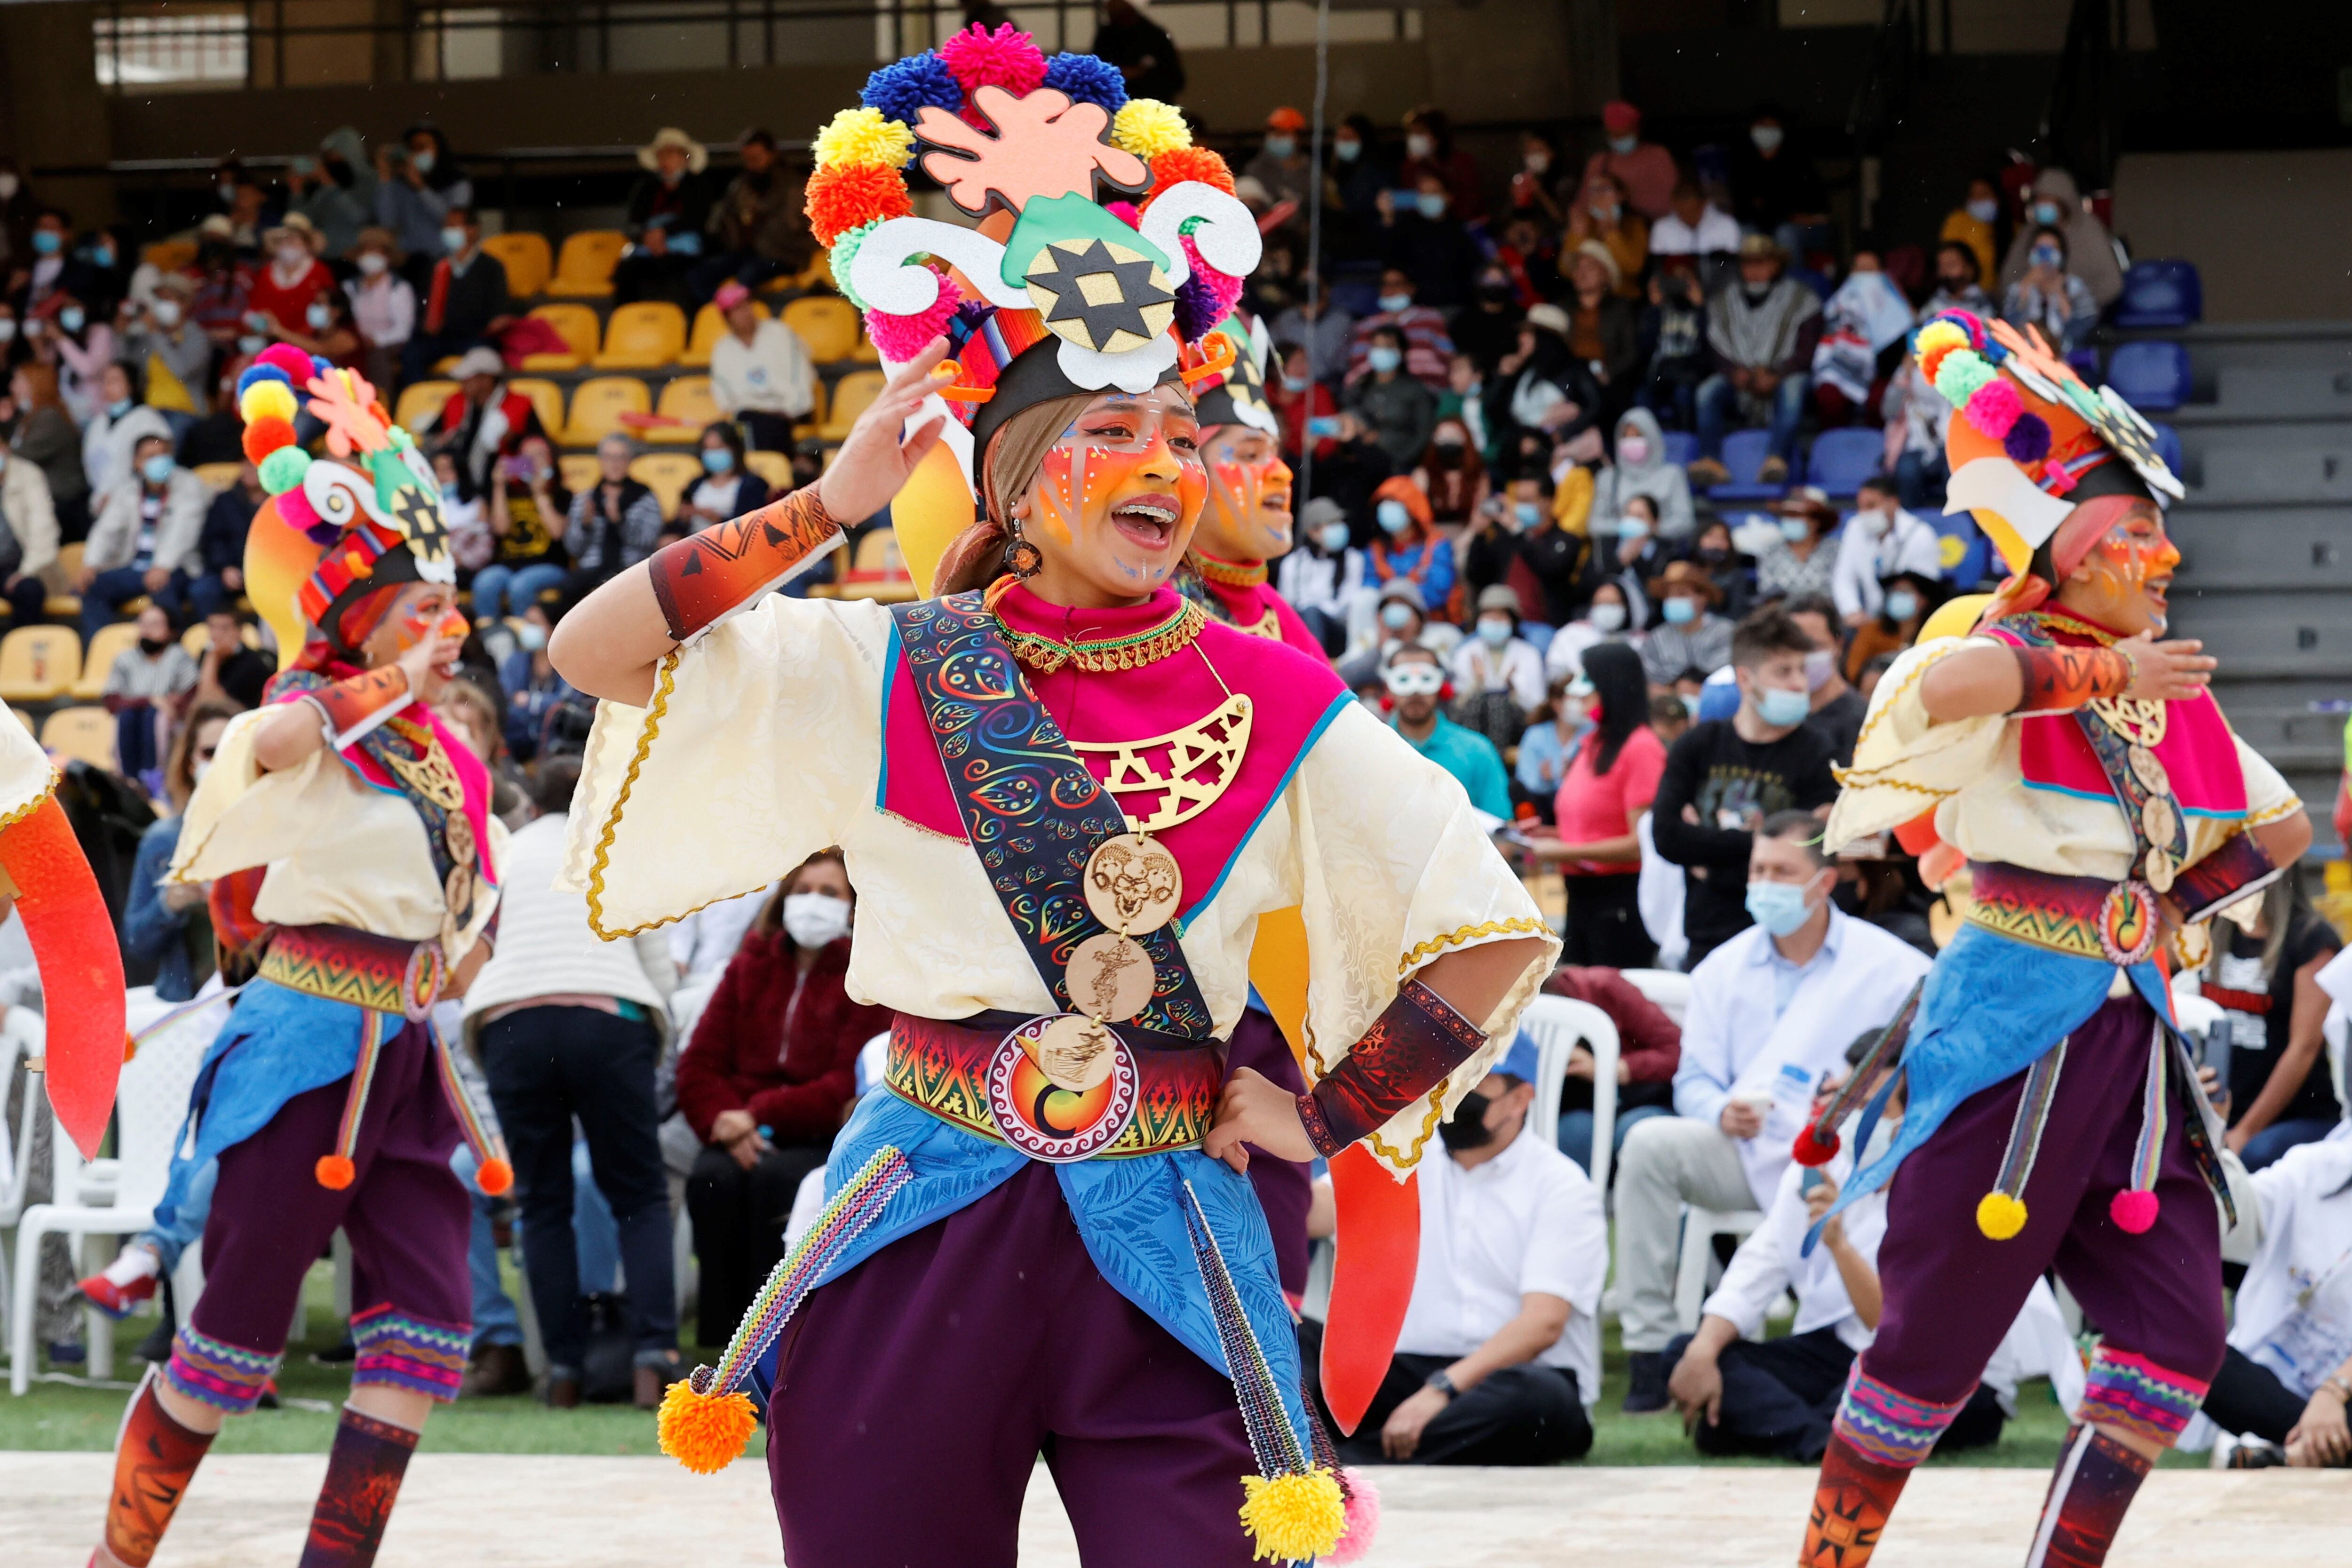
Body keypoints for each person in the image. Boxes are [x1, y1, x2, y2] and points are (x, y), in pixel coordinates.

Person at [550, 32, 1556, 1562]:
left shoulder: (1275, 693)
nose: (1163, 463)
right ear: (1014, 482)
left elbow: (1485, 929)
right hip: (924, 1206)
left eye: (1178, 434)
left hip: (1173, 1240)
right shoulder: (889, 664)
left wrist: (1328, 1116)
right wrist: (827, 508)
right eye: (1109, 431)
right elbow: (594, 649)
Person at [1791, 306, 2311, 1568]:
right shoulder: (2009, 641)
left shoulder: (2162, 677)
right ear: (2070, 550)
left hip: (2134, 1032)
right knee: (1928, 1340)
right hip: (2015, 1011)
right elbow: (1931, 694)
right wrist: (2100, 677)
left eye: (2160, 530)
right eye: (2136, 532)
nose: (2165, 554)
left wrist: (2180, 903)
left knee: (2174, 1334)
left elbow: (2283, 826)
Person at [87, 352, 506, 1568]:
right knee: (230, 1341)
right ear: (363, 619)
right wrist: (379, 682)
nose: (444, 628)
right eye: (416, 608)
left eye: (447, 608)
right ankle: (119, 1558)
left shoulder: (452, 755)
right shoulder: (317, 713)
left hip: (412, 1055)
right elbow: (260, 743)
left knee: (425, 1331)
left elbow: (465, 913)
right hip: (309, 1035)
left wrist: (465, 943)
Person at [1616, 813, 1932, 1413]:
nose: (1764, 882)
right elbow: (1693, 1079)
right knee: (1647, 1144)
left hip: (1853, 1165)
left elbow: (1920, 1069)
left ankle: (1884, 1343)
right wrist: (1719, 1109)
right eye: (1757, 870)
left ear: (1823, 882)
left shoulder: (1890, 965)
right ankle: (1647, 1347)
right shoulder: (1721, 969)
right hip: (1745, 1145)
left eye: (1782, 871)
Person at [1661, 1030, 2049, 1461]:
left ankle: (1785, 1431)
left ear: (1916, 1111)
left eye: (1868, 1106)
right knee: (1689, 1352)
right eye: (1846, 1099)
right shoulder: (1829, 1160)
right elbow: (1761, 1262)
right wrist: (1704, 1350)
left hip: (1942, 1370)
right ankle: (1822, 1440)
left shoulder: (1957, 1187)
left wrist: (1839, 1246)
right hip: (1841, 1353)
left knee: (1870, 1398)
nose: (1850, 1117)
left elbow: (1895, 1327)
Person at [460, 755, 678, 1408]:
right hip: (608, 1022)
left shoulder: (505, 852)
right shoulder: (621, 840)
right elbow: (659, 966)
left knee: (541, 1203)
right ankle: (653, 1355)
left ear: (531, 804)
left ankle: (563, 1368)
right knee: (639, 1195)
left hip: (511, 1029)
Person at [1300, 1034, 1602, 1465]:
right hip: (1400, 1374)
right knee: (1295, 1340)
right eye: (1446, 1081)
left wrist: (1443, 1390)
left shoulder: (1561, 1186)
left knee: (1541, 1400)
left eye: (1473, 1085)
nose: (1452, 1098)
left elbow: (1543, 1325)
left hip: (1501, 1380)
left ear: (1521, 1100)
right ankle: (1340, 1455)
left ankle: (1349, 1462)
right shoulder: (1403, 1157)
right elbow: (1310, 1213)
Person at [677, 851, 891, 1348]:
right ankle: (718, 1341)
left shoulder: (864, 981)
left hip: (816, 1135)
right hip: (735, 1133)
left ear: (853, 908)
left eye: (829, 893)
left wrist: (755, 1115)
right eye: (803, 891)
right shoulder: (745, 968)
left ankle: (777, 1338)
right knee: (713, 1180)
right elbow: (699, 1064)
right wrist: (724, 1120)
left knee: (777, 1183)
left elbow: (847, 1081)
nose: (812, 904)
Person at [1649, 605, 1841, 963]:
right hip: (1708, 937)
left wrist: (1708, 859)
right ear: (1746, 679)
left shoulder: (1818, 750)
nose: (1799, 683)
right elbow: (1666, 836)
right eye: (1784, 671)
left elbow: (1812, 847)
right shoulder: (1699, 744)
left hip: (1790, 938)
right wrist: (1762, 842)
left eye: (1802, 669)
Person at [2201, 1127, 2352, 1465]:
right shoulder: (2316, 1165)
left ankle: (2285, 1456)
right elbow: (2237, 1220)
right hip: (2270, 1386)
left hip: (2345, 1393)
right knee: (2191, 1345)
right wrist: (2210, 1142)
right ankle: (2316, 1449)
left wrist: (2334, 1391)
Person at [1178, 322, 1321, 658]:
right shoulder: (1151, 609)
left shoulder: (1277, 613)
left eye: (1276, 453)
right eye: (1250, 455)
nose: (1282, 473)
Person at [1523, 642, 1667, 966]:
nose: (1576, 690)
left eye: (1586, 679)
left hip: (1618, 902)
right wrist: (1547, 836)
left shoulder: (1641, 748)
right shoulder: (1592, 743)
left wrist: (1563, 852)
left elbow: (1641, 843)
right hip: (1580, 896)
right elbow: (1590, 827)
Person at [2207, 878, 2343, 1169]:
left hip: (2299, 1117)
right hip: (2222, 1107)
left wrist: (2245, 1131)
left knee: (2256, 1154)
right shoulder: (2214, 928)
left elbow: (2304, 1048)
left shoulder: (2311, 939)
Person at [123, 701, 237, 1002]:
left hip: (250, 1007)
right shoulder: (163, 840)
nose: (221, 761)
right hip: (185, 1007)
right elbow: (136, 943)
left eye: (231, 749)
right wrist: (169, 904)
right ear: (190, 763)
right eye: (210, 752)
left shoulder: (274, 835)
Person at [1691, 234, 1820, 488]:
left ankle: (1777, 458)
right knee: (1706, 391)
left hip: (1784, 376)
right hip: (1739, 378)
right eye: (1749, 263)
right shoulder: (1723, 301)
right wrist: (1733, 372)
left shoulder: (1802, 298)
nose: (1755, 269)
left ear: (1776, 265)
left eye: (1762, 263)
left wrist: (1777, 374)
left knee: (1793, 389)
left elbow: (1808, 352)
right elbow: (1714, 348)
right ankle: (1711, 461)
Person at [1542, 962, 1682, 1175]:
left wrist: (1609, 1068)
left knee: (1634, 1132)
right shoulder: (1504, 1008)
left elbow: (1680, 1051)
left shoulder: (1603, 987)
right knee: (1573, 1133)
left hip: (1644, 1099)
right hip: (1578, 1109)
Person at [82, 432, 207, 638]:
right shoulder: (127, 490)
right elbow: (106, 530)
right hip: (136, 568)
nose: (158, 461)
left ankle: (172, 655)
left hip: (177, 568)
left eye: (163, 455)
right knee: (95, 588)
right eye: (150, 457)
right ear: (137, 463)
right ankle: (100, 651)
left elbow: (184, 530)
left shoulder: (189, 484)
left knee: (163, 590)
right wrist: (91, 563)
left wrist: (163, 565)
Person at [1381, 643, 1512, 820]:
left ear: (1441, 684)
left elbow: (1501, 827)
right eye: (1403, 679)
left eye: (1426, 678)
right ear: (1388, 688)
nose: (1416, 691)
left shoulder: (1477, 750)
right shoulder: (1371, 751)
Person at [693, 128, 814, 298]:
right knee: (702, 273)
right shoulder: (741, 188)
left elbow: (806, 232)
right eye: (747, 160)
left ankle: (743, 318)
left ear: (772, 155)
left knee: (749, 274)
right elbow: (725, 226)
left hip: (785, 256)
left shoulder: (795, 188)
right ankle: (717, 315)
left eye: (757, 159)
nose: (752, 165)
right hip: (748, 254)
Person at [402, 209, 514, 384]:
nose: (448, 231)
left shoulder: (492, 267)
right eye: (446, 227)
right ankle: (419, 400)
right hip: (440, 338)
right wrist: (427, 325)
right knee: (412, 353)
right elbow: (422, 306)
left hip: (476, 338)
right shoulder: (436, 267)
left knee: (483, 356)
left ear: (473, 230)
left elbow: (500, 312)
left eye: (454, 226)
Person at [707, 279, 816, 452]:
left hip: (787, 412)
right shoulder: (722, 348)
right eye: (737, 310)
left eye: (746, 305)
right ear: (726, 317)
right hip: (747, 417)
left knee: (764, 429)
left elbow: (801, 376)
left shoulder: (781, 333)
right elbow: (724, 395)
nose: (745, 313)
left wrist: (789, 409)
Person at [613, 128, 715, 308]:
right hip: (647, 246)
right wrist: (646, 237)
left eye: (672, 154)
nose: (666, 160)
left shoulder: (699, 186)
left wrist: (665, 233)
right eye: (663, 154)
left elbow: (698, 219)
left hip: (686, 249)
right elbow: (633, 222)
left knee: (685, 275)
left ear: (686, 158)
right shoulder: (645, 187)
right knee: (626, 271)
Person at [102, 602, 200, 785]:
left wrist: (162, 706)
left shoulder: (179, 657)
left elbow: (189, 698)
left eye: (155, 625)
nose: (147, 631)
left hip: (170, 728)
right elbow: (112, 701)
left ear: (172, 631)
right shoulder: (125, 659)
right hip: (130, 723)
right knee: (129, 716)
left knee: (155, 716)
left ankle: (156, 781)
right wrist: (152, 700)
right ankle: (129, 781)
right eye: (143, 625)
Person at [474, 433, 569, 622]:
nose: (533, 461)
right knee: (485, 582)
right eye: (527, 457)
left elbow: (558, 532)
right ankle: (493, 637)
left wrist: (539, 494)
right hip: (509, 565)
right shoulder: (510, 493)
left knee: (520, 586)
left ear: (551, 460)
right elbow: (500, 529)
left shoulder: (562, 495)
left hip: (549, 565)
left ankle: (524, 640)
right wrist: (499, 487)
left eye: (539, 456)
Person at [428, 346, 544, 500]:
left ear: (486, 379)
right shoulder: (456, 401)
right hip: (459, 490)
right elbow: (432, 437)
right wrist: (443, 441)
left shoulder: (520, 405)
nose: (462, 382)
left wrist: (512, 442)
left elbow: (539, 456)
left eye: (469, 378)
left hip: (505, 490)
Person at [1998, 167, 2122, 308]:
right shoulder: (2029, 231)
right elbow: (2007, 280)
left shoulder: (2088, 228)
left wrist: (2076, 304)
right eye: (2039, 199)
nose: (2042, 204)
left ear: (2065, 201)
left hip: (2081, 317)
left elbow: (2112, 283)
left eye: (2049, 199)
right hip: (2032, 316)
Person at [563, 434, 666, 604]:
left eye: (621, 457)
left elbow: (650, 541)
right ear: (600, 460)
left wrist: (620, 521)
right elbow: (573, 549)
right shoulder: (586, 500)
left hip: (631, 573)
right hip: (590, 572)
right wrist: (585, 525)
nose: (614, 463)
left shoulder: (645, 498)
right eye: (609, 457)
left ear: (629, 461)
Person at [1834, 474, 1945, 625]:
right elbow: (1843, 577)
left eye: (1871, 506)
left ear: (1893, 503)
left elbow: (1926, 591)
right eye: (1860, 507)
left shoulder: (1920, 535)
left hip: (1909, 621)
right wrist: (1852, 611)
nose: (1863, 513)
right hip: (1867, 621)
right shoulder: (1855, 527)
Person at [373, 125, 473, 287]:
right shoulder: (400, 183)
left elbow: (452, 220)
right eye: (413, 148)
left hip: (443, 258)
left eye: (423, 147)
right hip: (407, 259)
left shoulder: (457, 180)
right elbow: (387, 221)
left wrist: (421, 188)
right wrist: (385, 180)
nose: (417, 153)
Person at [1375, 172, 1482, 310]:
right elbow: (1389, 258)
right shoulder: (1407, 228)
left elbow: (1475, 274)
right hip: (1414, 309)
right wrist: (1387, 219)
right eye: (1423, 193)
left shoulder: (1464, 231)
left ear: (1448, 197)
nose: (1428, 197)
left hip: (1454, 307)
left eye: (1434, 192)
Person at [1276, 497, 1368, 655]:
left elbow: (1347, 604)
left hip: (1337, 629)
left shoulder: (1354, 559)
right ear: (1313, 532)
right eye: (1332, 524)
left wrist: (1316, 608)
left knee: (1312, 612)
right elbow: (1287, 604)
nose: (1339, 528)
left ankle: (1314, 661)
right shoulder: (1293, 563)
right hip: (1303, 627)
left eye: (1339, 523)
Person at [1782, 595, 1866, 768]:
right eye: (1793, 646)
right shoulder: (1778, 712)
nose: (1803, 656)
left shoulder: (1860, 721)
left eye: (1814, 646)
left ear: (1839, 645)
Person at [1727, 106, 1828, 247]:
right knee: (1746, 235)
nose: (1767, 131)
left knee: (1785, 234)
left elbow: (1815, 209)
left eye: (1772, 126)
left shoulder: (1797, 161)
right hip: (1758, 226)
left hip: (1795, 228)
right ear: (1752, 129)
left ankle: (1791, 271)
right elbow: (1742, 207)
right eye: (1763, 125)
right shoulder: (1743, 163)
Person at [9, 364, 90, 541]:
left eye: (18, 380)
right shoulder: (31, 417)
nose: (12, 387)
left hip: (65, 506)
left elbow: (20, 457)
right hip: (49, 503)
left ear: (35, 383)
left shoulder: (49, 417)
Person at [1450, 585, 1546, 732]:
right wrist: (1477, 683)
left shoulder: (1528, 653)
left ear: (1512, 621)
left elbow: (1537, 704)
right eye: (1489, 615)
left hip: (1515, 723)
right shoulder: (1467, 651)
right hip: (1473, 720)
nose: (1494, 621)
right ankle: (1475, 751)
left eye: (1501, 616)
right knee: (1477, 702)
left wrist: (1513, 688)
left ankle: (1496, 754)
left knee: (1497, 703)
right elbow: (1458, 703)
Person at [1345, 324, 1439, 474]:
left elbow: (1424, 434)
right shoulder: (1360, 387)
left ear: (1402, 351)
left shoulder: (1416, 391)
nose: (1381, 352)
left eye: (1388, 347)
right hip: (1362, 462)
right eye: (1376, 346)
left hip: (1400, 464)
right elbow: (1347, 416)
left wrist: (1401, 461)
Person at [1592, 406, 1695, 542]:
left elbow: (1686, 522)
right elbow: (1594, 524)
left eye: (1638, 436)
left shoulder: (1672, 474)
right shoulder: (1608, 477)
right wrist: (1625, 529)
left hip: (1661, 549)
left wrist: (1652, 530)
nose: (1632, 442)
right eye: (1626, 437)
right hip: (1618, 550)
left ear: (1652, 437)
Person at [119, 275, 216, 418]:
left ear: (185, 303)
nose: (163, 304)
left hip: (186, 411)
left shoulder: (198, 337)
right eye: (160, 299)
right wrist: (125, 328)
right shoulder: (152, 335)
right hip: (151, 411)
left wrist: (154, 332)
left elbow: (180, 370)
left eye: (169, 298)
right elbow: (128, 365)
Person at [2000, 225, 2102, 355]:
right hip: (2026, 355)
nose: (2045, 255)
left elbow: (2085, 329)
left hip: (2067, 357)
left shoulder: (2075, 286)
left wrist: (2061, 296)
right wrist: (2024, 290)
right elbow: (2008, 326)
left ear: (2062, 255)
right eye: (2040, 249)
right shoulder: (2017, 288)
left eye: (2052, 249)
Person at [82, 360, 175, 502]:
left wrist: (122, 497)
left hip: (137, 501)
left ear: (132, 385)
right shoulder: (98, 423)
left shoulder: (147, 418)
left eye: (115, 381)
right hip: (99, 502)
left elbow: (158, 465)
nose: (108, 386)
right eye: (105, 381)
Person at [1344, 268, 1453, 389]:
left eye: (1397, 284)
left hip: (1428, 390)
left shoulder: (1432, 318)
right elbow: (1357, 369)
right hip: (1381, 393)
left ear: (1411, 288)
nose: (1391, 290)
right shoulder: (1366, 326)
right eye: (1386, 284)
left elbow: (1449, 360)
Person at [1366, 477, 1455, 621]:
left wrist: (1400, 599)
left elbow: (1438, 592)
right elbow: (1370, 584)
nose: (1387, 508)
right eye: (1384, 503)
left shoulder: (1436, 545)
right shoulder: (1377, 549)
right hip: (1386, 622)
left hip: (1430, 623)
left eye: (1394, 502)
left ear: (1412, 509)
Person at [285, 128, 377, 263]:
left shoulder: (370, 181)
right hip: (322, 258)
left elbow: (360, 217)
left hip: (357, 258)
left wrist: (330, 184)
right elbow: (300, 222)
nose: (331, 161)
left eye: (335, 155)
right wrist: (297, 192)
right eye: (328, 157)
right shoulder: (324, 189)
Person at [1638, 560, 1732, 689]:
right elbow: (1651, 680)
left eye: (1682, 594)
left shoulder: (1725, 632)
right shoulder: (1657, 638)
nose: (1674, 600)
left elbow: (1723, 674)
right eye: (1670, 595)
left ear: (1703, 598)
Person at [0, 421, 60, 625]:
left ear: (6, 448)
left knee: (29, 590)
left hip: (20, 567)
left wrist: (25, 572)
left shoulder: (28, 474)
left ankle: (18, 651)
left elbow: (44, 529)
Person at [345, 227, 415, 397]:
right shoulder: (350, 287)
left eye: (377, 251)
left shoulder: (398, 288)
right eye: (367, 250)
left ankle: (380, 405)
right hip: (355, 340)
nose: (371, 255)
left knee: (377, 358)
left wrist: (376, 340)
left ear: (388, 256)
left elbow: (403, 330)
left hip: (387, 344)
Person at [677, 420, 773, 533]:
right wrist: (683, 518)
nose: (713, 454)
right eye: (708, 449)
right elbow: (677, 526)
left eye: (719, 448)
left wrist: (717, 519)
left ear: (734, 449)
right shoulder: (696, 484)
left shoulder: (754, 485)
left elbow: (752, 527)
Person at [1843, 567, 1935, 684]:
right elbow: (1853, 670)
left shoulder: (1933, 633)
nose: (1898, 596)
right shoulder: (1872, 630)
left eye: (1905, 592)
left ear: (1923, 600)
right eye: (1895, 591)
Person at [1754, 485, 1841, 606]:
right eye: (1786, 515)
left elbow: (1836, 591)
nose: (1788, 520)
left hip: (1823, 616)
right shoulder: (1770, 551)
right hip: (1782, 618)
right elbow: (1768, 592)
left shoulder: (1835, 550)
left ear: (1815, 522)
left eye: (1795, 515)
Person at [246, 219, 335, 335]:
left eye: (294, 240)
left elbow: (327, 309)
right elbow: (254, 307)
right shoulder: (266, 271)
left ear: (306, 244)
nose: (288, 244)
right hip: (267, 337)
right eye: (284, 240)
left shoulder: (320, 271)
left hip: (307, 339)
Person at [1398, 105, 1483, 223]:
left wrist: (1448, 200)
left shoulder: (1462, 162)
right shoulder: (1410, 166)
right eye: (1412, 133)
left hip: (1460, 227)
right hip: (1423, 229)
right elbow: (1409, 204)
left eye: (1421, 133)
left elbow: (1471, 202)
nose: (1415, 138)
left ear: (1437, 135)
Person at [1543, 579, 1638, 684]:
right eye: (1600, 603)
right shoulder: (1570, 634)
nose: (1606, 609)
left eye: (1612, 603)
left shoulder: (1639, 641)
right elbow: (1555, 678)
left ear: (1626, 607)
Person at [194, 609, 271, 712]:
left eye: (224, 628)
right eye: (213, 627)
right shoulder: (206, 653)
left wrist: (213, 659)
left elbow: (211, 702)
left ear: (239, 631)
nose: (217, 634)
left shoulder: (252, 663)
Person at [1648, 179, 1741, 263]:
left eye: (1692, 211)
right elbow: (1660, 267)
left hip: (1720, 280)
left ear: (1703, 204)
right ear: (1675, 206)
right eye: (1682, 213)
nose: (1687, 217)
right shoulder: (1661, 228)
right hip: (1677, 281)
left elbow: (1730, 265)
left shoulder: (1727, 225)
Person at [1242, 107, 1313, 216]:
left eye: (1283, 133)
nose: (1277, 138)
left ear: (1298, 138)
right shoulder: (1255, 169)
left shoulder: (1311, 171)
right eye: (1273, 133)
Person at [1940, 176, 2001, 294]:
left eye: (1984, 195)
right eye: (1974, 195)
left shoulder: (2009, 226)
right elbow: (1948, 257)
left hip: (1995, 294)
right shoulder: (1957, 220)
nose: (1979, 200)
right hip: (1962, 292)